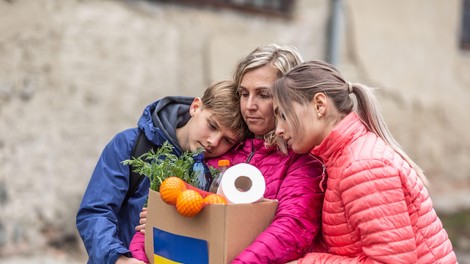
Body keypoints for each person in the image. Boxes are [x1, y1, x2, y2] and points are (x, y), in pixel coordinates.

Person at [130, 44, 326, 264]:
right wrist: (138, 256)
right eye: (244, 93)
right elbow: (167, 209)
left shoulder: (301, 160)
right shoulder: (222, 146)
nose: (249, 105)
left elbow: (290, 230)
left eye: (263, 94)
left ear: (288, 98)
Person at [272, 60, 457, 263]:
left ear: (319, 105)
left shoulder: (362, 166)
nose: (279, 129)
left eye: (284, 115)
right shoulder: (340, 158)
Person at [76, 80, 249, 264]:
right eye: (212, 126)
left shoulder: (223, 172)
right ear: (196, 107)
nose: (213, 142)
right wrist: (120, 259)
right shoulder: (131, 144)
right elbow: (95, 212)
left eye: (227, 141)